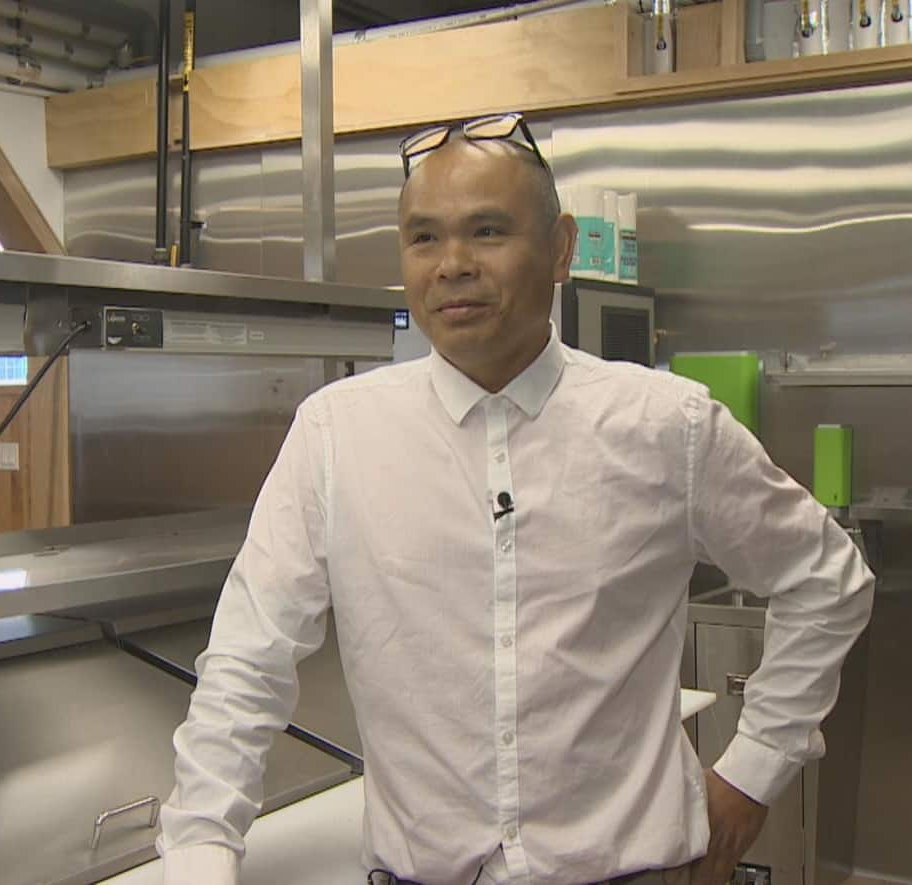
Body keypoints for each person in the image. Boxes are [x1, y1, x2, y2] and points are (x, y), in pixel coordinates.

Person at [156, 111, 874, 885]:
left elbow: (826, 580)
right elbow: (247, 657)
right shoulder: (338, 433)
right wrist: (199, 849)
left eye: (488, 231)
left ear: (561, 247)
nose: (451, 264)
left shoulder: (666, 425)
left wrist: (755, 766)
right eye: (423, 237)